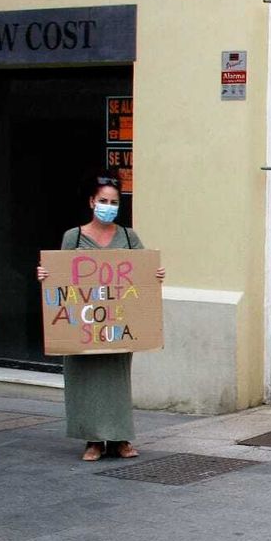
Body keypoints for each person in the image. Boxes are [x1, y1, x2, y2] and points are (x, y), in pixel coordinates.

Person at [34, 176, 165, 462]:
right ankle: (92, 440)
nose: (108, 206)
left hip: (116, 324)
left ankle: (120, 438)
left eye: (114, 202)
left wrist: (155, 275)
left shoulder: (129, 237)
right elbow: (59, 275)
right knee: (85, 380)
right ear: (92, 202)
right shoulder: (74, 237)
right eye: (103, 201)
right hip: (83, 324)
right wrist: (45, 275)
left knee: (116, 381)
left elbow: (142, 272)